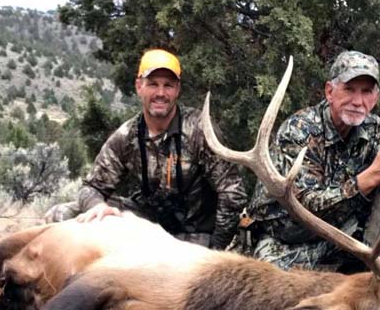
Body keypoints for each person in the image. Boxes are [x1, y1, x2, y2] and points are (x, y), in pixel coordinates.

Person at [247, 50, 380, 270]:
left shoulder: (372, 128)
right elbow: (305, 207)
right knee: (271, 281)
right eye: (349, 89)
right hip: (289, 238)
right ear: (330, 91)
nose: (358, 101)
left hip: (342, 235)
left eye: (366, 91)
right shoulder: (300, 130)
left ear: (375, 98)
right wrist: (373, 175)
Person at [46, 49, 247, 249]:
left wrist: (217, 249)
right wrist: (97, 206)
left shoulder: (200, 130)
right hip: (148, 227)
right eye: (153, 84)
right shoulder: (127, 135)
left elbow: (233, 193)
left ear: (177, 90)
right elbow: (91, 187)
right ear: (139, 86)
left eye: (168, 85)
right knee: (62, 214)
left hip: (196, 235)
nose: (160, 93)